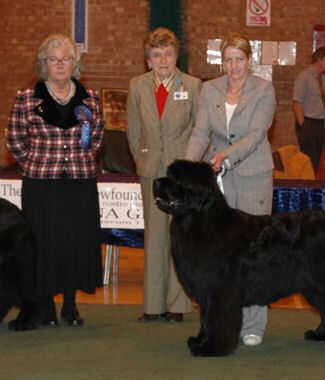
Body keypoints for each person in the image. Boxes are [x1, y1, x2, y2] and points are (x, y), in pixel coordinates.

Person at [6, 34, 104, 327]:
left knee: (75, 243)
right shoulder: (27, 97)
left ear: (75, 64)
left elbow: (97, 139)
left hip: (79, 183)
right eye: (53, 59)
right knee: (43, 244)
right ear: (44, 64)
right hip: (41, 184)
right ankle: (45, 306)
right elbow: (15, 139)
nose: (60, 65)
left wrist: (76, 161)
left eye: (66, 59)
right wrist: (36, 162)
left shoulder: (90, 99)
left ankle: (71, 306)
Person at [185, 33, 276, 346]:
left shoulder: (264, 90)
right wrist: (187, 166)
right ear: (221, 62)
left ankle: (253, 326)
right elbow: (200, 132)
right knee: (221, 257)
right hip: (219, 183)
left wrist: (227, 155)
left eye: (239, 59)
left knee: (254, 255)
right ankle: (224, 322)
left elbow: (255, 136)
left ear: (249, 61)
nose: (234, 65)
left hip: (253, 175)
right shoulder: (209, 89)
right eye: (228, 59)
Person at [126, 27, 202, 323]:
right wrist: (144, 160)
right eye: (156, 55)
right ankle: (153, 305)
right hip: (151, 173)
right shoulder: (137, 86)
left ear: (176, 56)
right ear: (147, 60)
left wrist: (191, 168)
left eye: (169, 54)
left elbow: (200, 130)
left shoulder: (194, 85)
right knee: (154, 237)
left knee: (181, 237)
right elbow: (133, 132)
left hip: (182, 177)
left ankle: (178, 306)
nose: (163, 60)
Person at [292, 47, 325, 174]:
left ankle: (312, 184)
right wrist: (303, 124)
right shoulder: (304, 77)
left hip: (319, 123)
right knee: (308, 158)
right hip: (308, 122)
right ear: (319, 60)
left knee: (316, 159)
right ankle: (306, 185)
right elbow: (297, 102)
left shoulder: (323, 80)